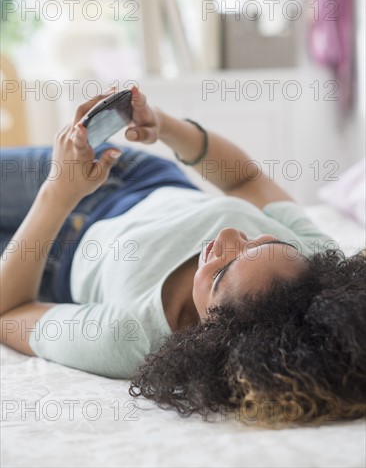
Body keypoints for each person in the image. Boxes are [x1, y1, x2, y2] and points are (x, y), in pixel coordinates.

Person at [0, 86, 365, 426]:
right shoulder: (311, 259)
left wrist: (59, 192)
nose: (227, 236)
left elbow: (9, 311)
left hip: (50, 253)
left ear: (213, 337)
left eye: (221, 274)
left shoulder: (130, 338)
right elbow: (245, 181)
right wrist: (165, 126)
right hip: (126, 177)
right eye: (259, 240)